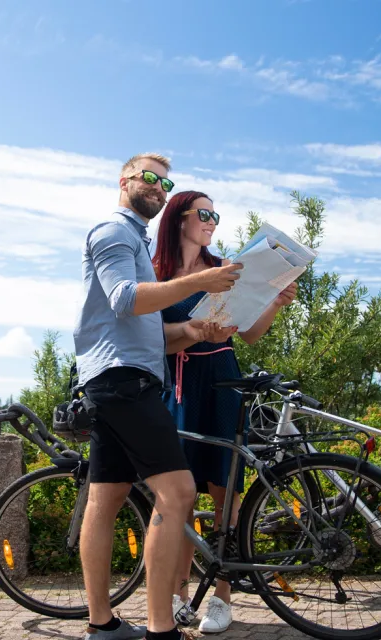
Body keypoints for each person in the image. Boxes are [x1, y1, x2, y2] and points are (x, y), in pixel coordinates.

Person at [74, 153, 244, 640]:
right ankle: (161, 629)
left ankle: (102, 626)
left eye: (165, 183)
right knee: (180, 492)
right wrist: (201, 282)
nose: (158, 187)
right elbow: (125, 298)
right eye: (149, 178)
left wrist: (194, 328)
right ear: (124, 180)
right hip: (124, 381)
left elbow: (150, 329)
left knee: (105, 501)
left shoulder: (139, 243)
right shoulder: (113, 231)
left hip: (118, 379)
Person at [151, 190, 298, 634]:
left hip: (223, 380)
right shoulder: (157, 275)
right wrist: (193, 332)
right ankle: (177, 593)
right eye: (205, 214)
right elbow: (153, 338)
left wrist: (274, 301)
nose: (212, 221)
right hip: (177, 385)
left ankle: (222, 597)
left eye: (216, 215)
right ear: (179, 218)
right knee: (180, 496)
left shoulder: (224, 269)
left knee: (225, 492)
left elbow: (250, 334)